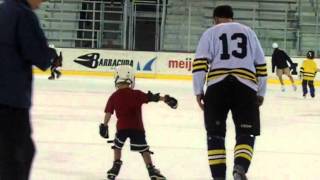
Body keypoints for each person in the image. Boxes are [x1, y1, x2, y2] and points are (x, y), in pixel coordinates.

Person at [192, 5, 267, 180]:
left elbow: (200, 64)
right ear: (232, 18)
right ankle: (239, 167)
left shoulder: (210, 33)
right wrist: (261, 92)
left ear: (216, 19)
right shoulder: (249, 32)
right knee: (246, 132)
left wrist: (198, 90)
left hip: (217, 87)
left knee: (215, 134)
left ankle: (219, 177)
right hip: (245, 87)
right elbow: (261, 65)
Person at [0, 0, 61, 180]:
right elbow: (39, 55)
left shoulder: (4, 9)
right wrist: (52, 57)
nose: (43, 2)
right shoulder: (23, 14)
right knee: (17, 156)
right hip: (11, 100)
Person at [99, 65, 177, 180]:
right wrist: (165, 99)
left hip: (122, 128)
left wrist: (104, 125)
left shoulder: (114, 96)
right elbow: (152, 97)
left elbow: (108, 113)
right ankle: (151, 170)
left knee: (117, 146)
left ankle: (115, 167)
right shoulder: (137, 94)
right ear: (130, 79)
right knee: (144, 149)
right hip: (137, 128)